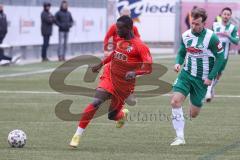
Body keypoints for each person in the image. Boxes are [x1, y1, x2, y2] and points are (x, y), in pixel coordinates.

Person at [69, 15, 152, 148]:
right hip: (109, 76)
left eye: (119, 28)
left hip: (124, 85)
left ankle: (121, 115)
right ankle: (77, 135)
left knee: (112, 115)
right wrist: (100, 64)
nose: (116, 31)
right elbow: (114, 55)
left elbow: (148, 68)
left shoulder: (140, 46)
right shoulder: (121, 41)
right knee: (96, 102)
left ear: (129, 28)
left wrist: (135, 73)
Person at [170, 8, 224, 146]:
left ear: (204, 24)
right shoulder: (186, 35)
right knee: (175, 102)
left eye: (197, 24)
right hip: (186, 74)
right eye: (192, 23)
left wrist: (210, 77)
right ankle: (180, 138)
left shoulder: (211, 37)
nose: (194, 26)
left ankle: (196, 98)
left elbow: (220, 58)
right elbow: (182, 51)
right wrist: (178, 63)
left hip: (202, 79)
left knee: (193, 114)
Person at [104, 7, 140, 106]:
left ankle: (128, 93)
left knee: (128, 75)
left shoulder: (134, 28)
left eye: (128, 15)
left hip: (129, 57)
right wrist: (106, 50)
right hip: (117, 55)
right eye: (124, 15)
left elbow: (138, 40)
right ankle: (110, 91)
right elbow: (107, 37)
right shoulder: (114, 27)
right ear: (120, 15)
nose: (126, 17)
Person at [205, 7, 239, 102]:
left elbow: (236, 41)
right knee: (211, 72)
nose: (226, 16)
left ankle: (211, 88)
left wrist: (228, 35)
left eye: (228, 15)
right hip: (213, 53)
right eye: (225, 14)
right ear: (221, 14)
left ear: (230, 16)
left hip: (224, 56)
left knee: (219, 74)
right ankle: (207, 92)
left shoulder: (233, 28)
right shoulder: (215, 25)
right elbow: (209, 37)